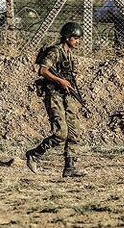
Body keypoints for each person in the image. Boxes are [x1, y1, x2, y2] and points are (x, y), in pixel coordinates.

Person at [26, 22, 87, 178]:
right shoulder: (55, 51)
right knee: (60, 133)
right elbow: (42, 70)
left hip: (66, 95)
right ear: (67, 37)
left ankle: (70, 167)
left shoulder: (69, 54)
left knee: (74, 133)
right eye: (75, 38)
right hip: (54, 95)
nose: (77, 41)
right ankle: (34, 154)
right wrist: (59, 81)